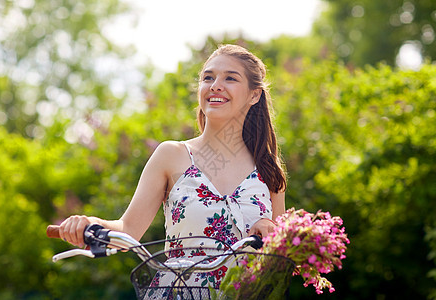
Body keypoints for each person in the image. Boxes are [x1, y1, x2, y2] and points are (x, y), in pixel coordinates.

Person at [58, 44, 287, 292]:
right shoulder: (172, 155)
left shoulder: (268, 170)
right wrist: (89, 223)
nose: (215, 85)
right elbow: (129, 230)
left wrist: (274, 232)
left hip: (246, 295)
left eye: (230, 78)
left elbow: (285, 258)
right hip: (179, 292)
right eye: (208, 77)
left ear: (254, 95)